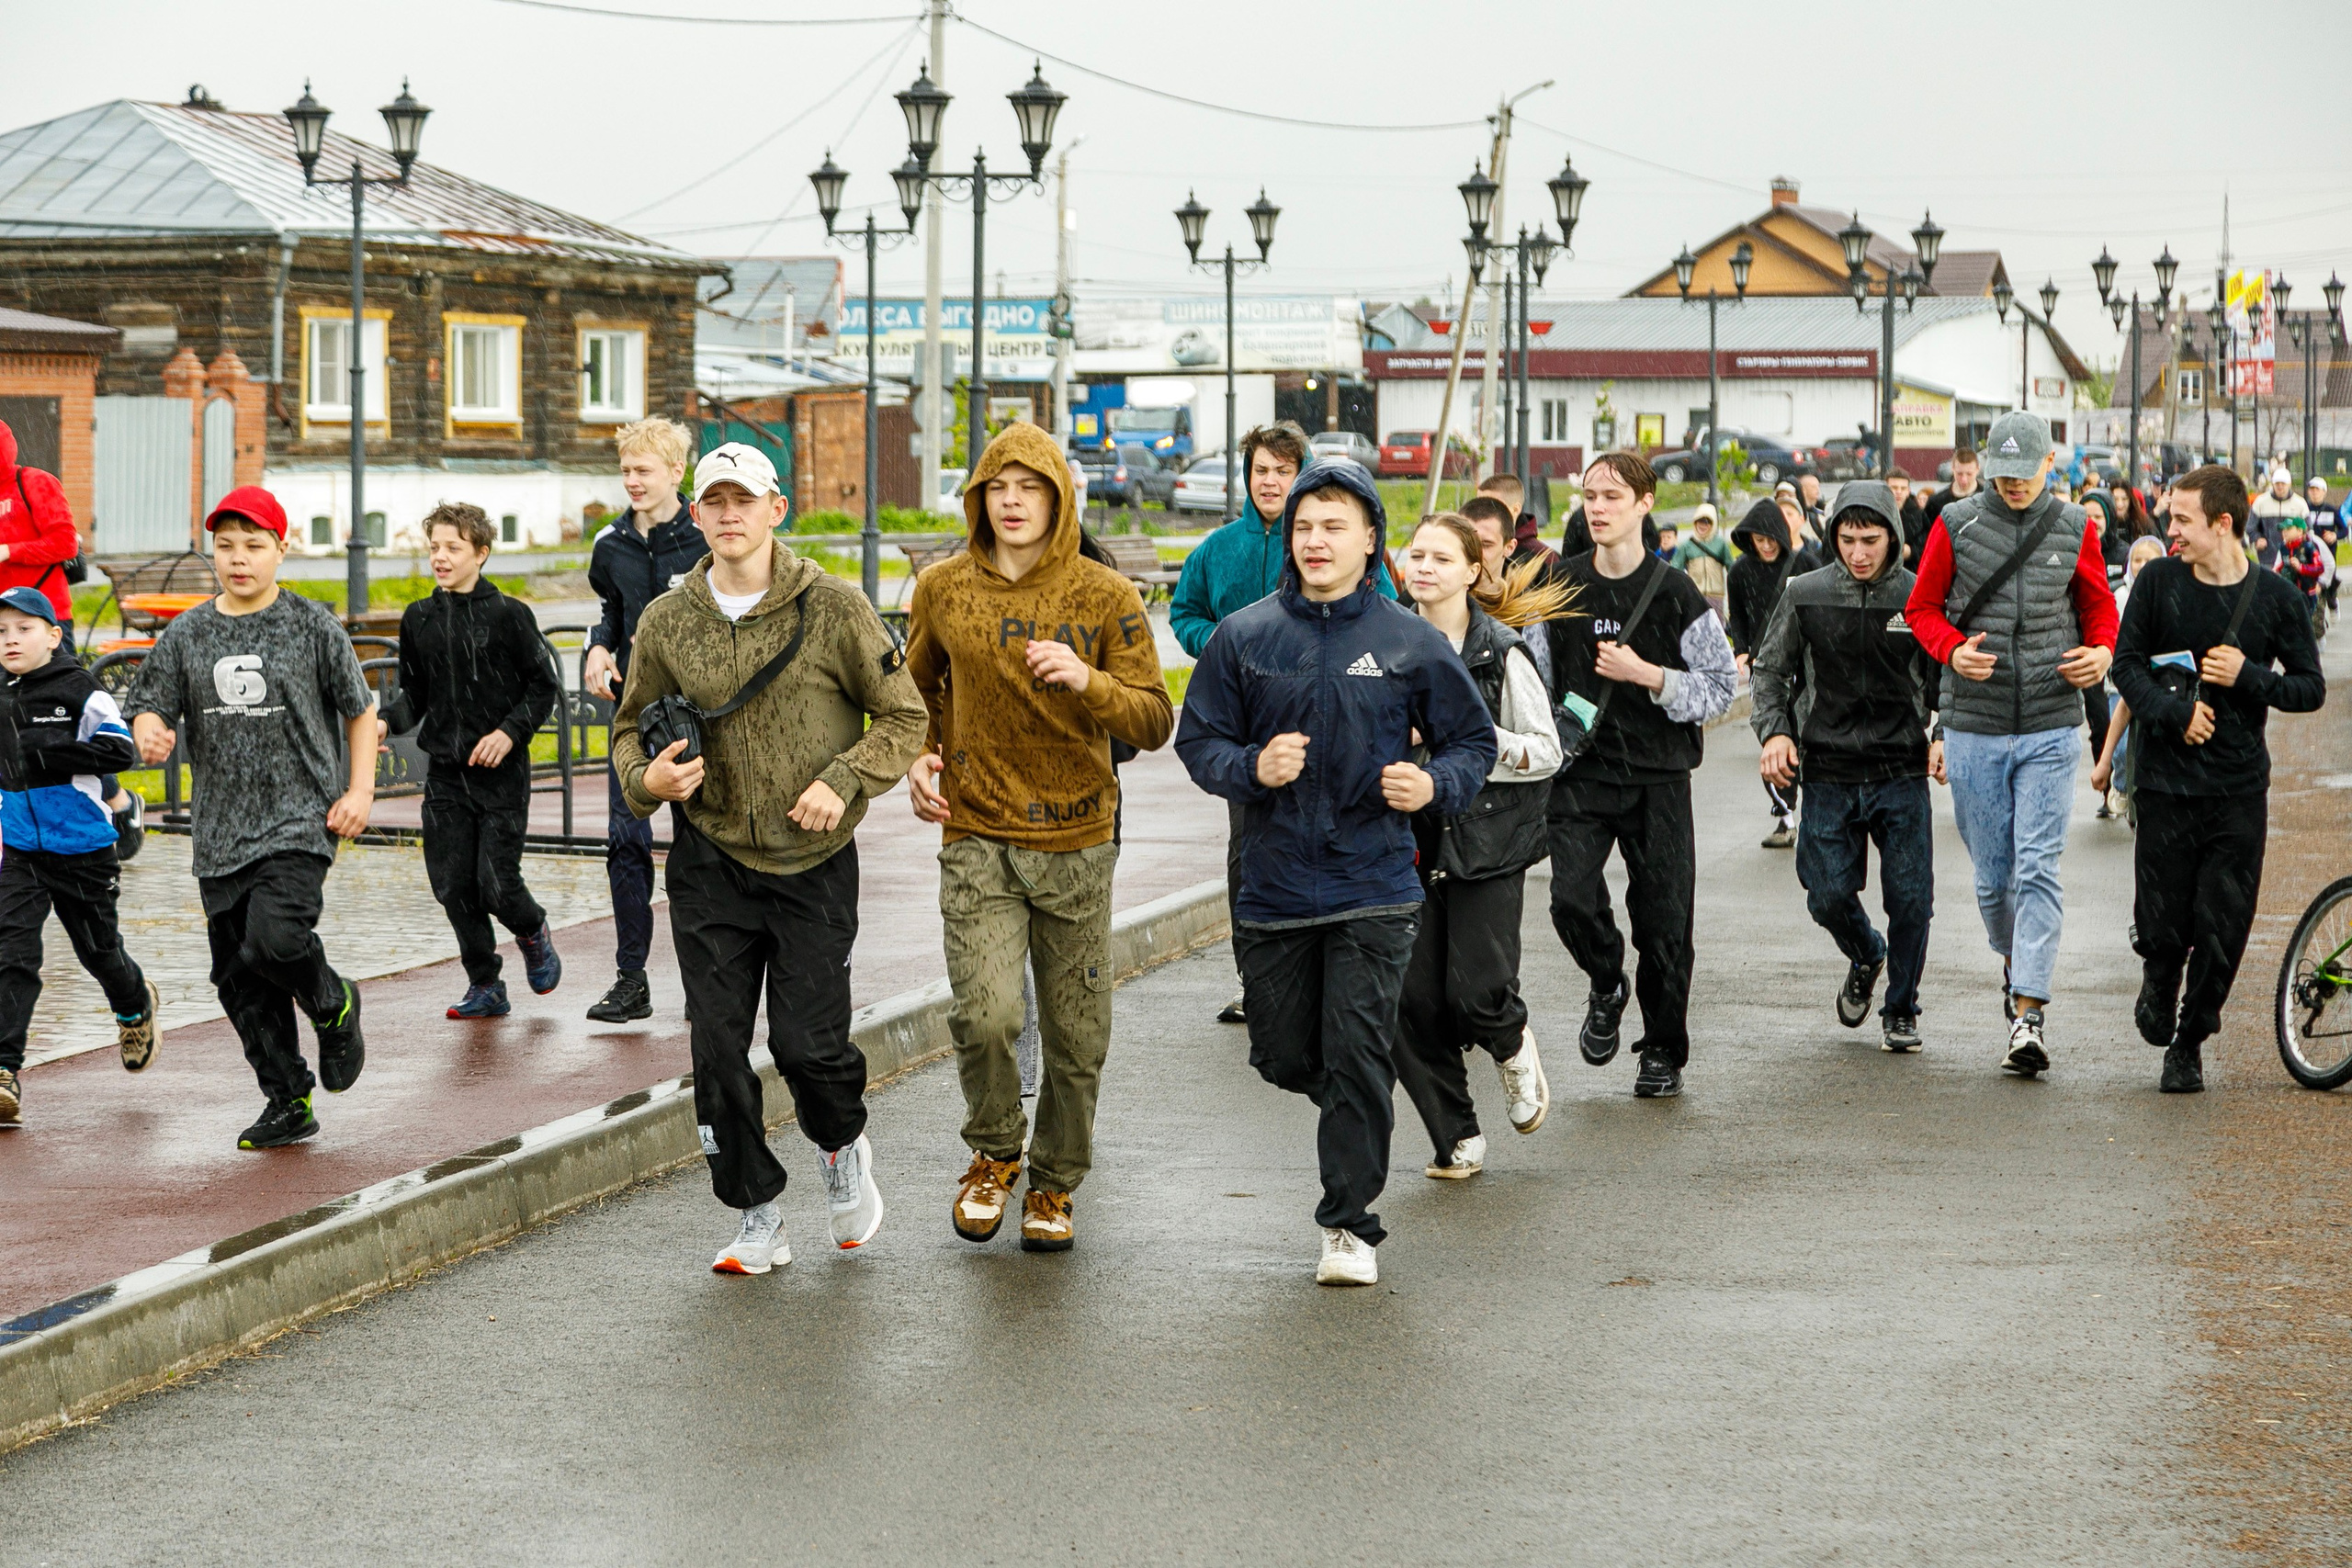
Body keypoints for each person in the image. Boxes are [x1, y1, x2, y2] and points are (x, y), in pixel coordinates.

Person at [1175, 458, 1494, 1285]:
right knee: (1283, 1056)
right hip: (1274, 887)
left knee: (1356, 1050)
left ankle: (1349, 1225)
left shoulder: (1406, 638)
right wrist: (1251, 766)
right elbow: (1199, 741)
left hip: (1375, 884)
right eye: (1305, 526)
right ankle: (1358, 1104)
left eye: (1335, 526)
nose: (1316, 540)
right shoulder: (1246, 636)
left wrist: (1434, 784)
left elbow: (1472, 742)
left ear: (1369, 539)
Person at [612, 442, 925, 1274]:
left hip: (812, 862)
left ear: (775, 508)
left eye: (741, 500)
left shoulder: (834, 607)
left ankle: (840, 1145)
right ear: (696, 512)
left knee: (807, 1045)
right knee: (716, 1049)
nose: (727, 515)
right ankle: (756, 1211)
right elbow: (624, 727)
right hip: (710, 860)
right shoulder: (666, 620)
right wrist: (648, 779)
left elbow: (903, 715)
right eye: (712, 501)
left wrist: (844, 779)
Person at [907, 423, 1171, 1258]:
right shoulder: (943, 587)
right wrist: (920, 757)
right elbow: (912, 693)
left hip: (1078, 837)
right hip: (978, 828)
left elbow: (1155, 718)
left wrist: (1088, 680)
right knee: (986, 1015)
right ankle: (993, 1152)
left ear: (1059, 497)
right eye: (998, 486)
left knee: (1075, 1033)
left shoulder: (1104, 594)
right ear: (978, 497)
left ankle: (1054, 1181)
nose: (1013, 500)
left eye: (1031, 486)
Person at [123, 486, 373, 1149]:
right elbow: (149, 701)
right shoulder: (189, 631)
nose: (239, 559)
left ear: (281, 551)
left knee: (275, 940)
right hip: (218, 832)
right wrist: (149, 729)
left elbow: (360, 708)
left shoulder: (311, 624)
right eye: (226, 546)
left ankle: (333, 1002)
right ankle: (287, 1098)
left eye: (254, 546)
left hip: (299, 819)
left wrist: (362, 792)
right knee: (238, 977)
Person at [1903, 412, 2117, 1077]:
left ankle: (2028, 1012)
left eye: (2027, 473)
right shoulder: (1956, 522)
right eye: (2003, 471)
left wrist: (2102, 652)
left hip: (2052, 722)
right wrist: (1952, 650)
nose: (2014, 484)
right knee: (1995, 880)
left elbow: (2099, 606)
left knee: (2038, 869)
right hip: (1975, 723)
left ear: (2051, 465)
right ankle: (2012, 960)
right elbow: (1920, 609)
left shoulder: (2076, 526)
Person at [2111, 466, 2325, 1092]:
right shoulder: (2157, 582)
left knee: (2223, 924)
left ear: (2223, 523)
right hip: (2165, 783)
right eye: (2169, 517)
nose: (2168, 529)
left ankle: (2190, 1039)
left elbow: (2309, 688)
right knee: (2163, 920)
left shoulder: (2277, 598)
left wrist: (2250, 676)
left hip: (2236, 788)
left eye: (2181, 519)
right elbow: (2126, 667)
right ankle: (2158, 975)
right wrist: (2175, 712)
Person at [1546, 452, 1737, 1100]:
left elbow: (1721, 687)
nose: (1597, 507)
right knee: (1569, 896)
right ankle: (1606, 979)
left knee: (1663, 921)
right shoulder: (1560, 584)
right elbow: (1538, 679)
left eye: (1612, 496)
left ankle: (1661, 1049)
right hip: (1583, 772)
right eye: (1589, 495)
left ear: (1645, 504)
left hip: (1659, 774)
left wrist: (1648, 675)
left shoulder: (1676, 591)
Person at [1393, 513, 1573, 1178]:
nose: (1425, 567)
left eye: (1442, 557)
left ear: (1473, 570)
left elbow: (1548, 751)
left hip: (1488, 838)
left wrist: (1476, 740)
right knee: (1407, 1000)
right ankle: (1456, 1134)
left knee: (1477, 991)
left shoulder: (1503, 652)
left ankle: (1511, 1043)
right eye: (1417, 555)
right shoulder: (1388, 645)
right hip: (1406, 843)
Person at [1749, 483, 1941, 1053]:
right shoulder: (1804, 593)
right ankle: (1866, 952)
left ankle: (1901, 1007)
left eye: (1872, 540)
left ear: (1895, 539)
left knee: (1911, 898)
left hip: (1900, 767)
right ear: (1833, 537)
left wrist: (1944, 731)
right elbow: (1770, 671)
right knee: (1826, 894)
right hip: (1827, 766)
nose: (1859, 553)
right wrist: (1776, 731)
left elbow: (1945, 675)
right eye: (1848, 539)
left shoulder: (1919, 596)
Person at [1175, 422, 1339, 1026]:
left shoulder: (1333, 538)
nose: (1270, 481)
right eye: (1260, 470)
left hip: (1327, 724)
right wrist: (1214, 639)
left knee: (1326, 845)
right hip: (1244, 731)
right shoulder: (1218, 550)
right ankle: (1259, 982)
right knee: (1250, 854)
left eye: (1282, 470)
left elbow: (1384, 606)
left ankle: (1329, 978)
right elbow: (1184, 610)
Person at [380, 502, 563, 1020]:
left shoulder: (509, 615)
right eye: (434, 547)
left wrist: (509, 733)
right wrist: (385, 722)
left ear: (480, 554)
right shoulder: (418, 617)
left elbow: (543, 686)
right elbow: (413, 692)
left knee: (496, 883)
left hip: (502, 776)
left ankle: (531, 930)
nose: (440, 557)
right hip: (445, 775)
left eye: (452, 548)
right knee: (453, 885)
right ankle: (486, 985)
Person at [0, 586, 159, 1127]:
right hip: (19, 850)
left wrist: (51, 753)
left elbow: (121, 749)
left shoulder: (80, 690)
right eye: (1, 631)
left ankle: (135, 1005)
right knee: (11, 954)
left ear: (52, 635)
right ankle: (3, 1071)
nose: (11, 639)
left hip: (83, 850)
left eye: (24, 629)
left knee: (99, 953)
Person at [581, 416, 707, 1025]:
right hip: (634, 717)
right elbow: (612, 610)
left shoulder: (705, 539)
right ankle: (631, 980)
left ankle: (704, 980)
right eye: (626, 469)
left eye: (643, 470)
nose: (632, 480)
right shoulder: (611, 545)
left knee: (698, 848)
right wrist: (598, 648)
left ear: (675, 473)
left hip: (699, 716)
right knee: (624, 842)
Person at [1725, 497, 1820, 847]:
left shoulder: (1806, 562)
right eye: (1757, 539)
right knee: (1774, 739)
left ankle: (1818, 811)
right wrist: (1741, 650)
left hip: (1804, 665)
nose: (1765, 545)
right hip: (1765, 668)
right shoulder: (1740, 571)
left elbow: (1821, 610)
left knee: (1809, 734)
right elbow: (1737, 614)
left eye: (1770, 538)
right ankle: (1785, 816)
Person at [2089, 536, 2171, 817]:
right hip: (2119, 683)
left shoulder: (2168, 594)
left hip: (2156, 681)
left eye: (2150, 560)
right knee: (2122, 745)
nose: (2143, 565)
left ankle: (2146, 795)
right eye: (2137, 560)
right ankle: (2121, 785)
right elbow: (2108, 633)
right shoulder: (2120, 595)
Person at [1918, 446, 1982, 565]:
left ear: (1977, 470)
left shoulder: (1988, 499)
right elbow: (1926, 540)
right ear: (1952, 469)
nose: (1964, 479)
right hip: (1945, 563)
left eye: (1969, 474)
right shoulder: (1936, 502)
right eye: (1959, 474)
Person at [1671, 502, 1732, 621]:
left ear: (1713, 524)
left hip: (1716, 596)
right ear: (1695, 522)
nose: (1703, 525)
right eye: (1700, 521)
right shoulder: (1687, 546)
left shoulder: (1721, 544)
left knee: (1716, 631)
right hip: (1694, 596)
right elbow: (1675, 568)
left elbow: (1732, 567)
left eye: (1707, 522)